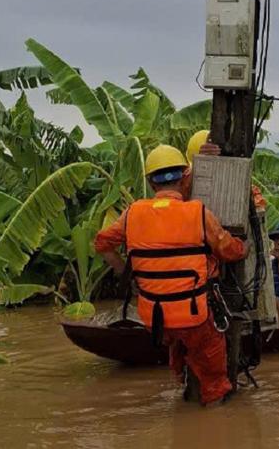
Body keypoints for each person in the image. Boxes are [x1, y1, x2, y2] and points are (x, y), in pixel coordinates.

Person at [94, 144, 248, 406]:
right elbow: (228, 250)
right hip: (193, 316)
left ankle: (180, 373)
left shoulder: (133, 213)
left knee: (177, 339)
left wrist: (128, 275)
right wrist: (244, 248)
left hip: (153, 317)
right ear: (186, 177)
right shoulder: (198, 212)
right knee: (214, 374)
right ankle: (216, 422)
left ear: (151, 182)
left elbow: (102, 244)